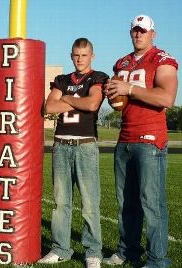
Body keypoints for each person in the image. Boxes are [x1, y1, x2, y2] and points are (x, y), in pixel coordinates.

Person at [103, 15, 178, 268]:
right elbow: (118, 103)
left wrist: (129, 89)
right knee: (126, 203)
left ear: (152, 34)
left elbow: (167, 97)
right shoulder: (122, 62)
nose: (138, 35)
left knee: (152, 204)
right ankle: (128, 252)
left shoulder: (162, 59)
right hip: (124, 138)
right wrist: (112, 94)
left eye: (143, 31)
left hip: (150, 140)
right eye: (135, 30)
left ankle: (158, 260)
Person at [38, 38, 109, 268]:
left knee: (89, 203)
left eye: (84, 55)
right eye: (76, 55)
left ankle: (93, 252)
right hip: (60, 145)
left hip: (85, 146)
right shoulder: (61, 79)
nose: (80, 59)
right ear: (71, 55)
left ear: (92, 56)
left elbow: (92, 104)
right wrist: (77, 99)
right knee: (60, 202)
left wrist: (66, 98)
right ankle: (61, 248)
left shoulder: (98, 77)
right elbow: (49, 107)